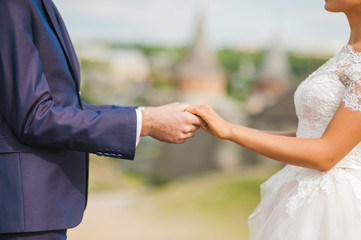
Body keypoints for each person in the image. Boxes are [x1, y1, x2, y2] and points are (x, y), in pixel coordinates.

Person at [0, 0, 202, 239]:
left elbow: (62, 106)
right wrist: (146, 122)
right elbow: (36, 117)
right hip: (24, 213)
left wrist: (146, 114)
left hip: (30, 211)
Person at [187, 0, 361, 239]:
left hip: (335, 205)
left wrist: (230, 130)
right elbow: (308, 137)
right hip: (303, 194)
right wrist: (229, 129)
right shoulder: (350, 51)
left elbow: (327, 154)